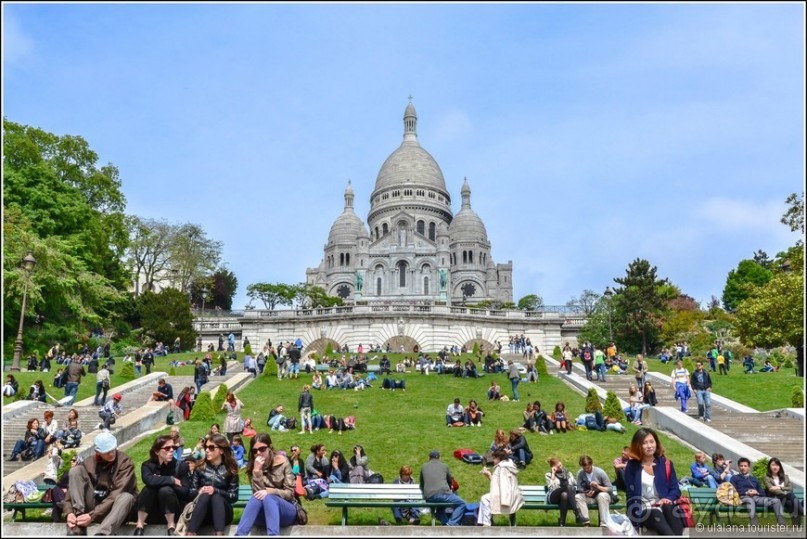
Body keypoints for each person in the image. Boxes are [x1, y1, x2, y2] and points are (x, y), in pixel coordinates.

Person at [64, 431, 138, 536]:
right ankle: (78, 522)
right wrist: (69, 512)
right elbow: (72, 491)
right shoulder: (88, 462)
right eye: (107, 452)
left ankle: (102, 534)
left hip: (116, 509)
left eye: (113, 449)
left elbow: (117, 493)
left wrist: (93, 515)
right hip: (94, 505)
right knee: (75, 471)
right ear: (97, 451)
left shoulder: (125, 462)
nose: (112, 454)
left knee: (126, 497)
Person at [624, 427, 684, 535]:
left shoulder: (666, 463)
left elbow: (675, 489)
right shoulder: (632, 466)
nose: (649, 446)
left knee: (670, 508)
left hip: (664, 507)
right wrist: (632, 519)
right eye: (645, 443)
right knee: (656, 513)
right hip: (644, 510)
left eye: (652, 441)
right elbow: (630, 494)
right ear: (638, 445)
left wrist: (667, 499)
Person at [235, 433, 297, 535]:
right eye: (255, 451)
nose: (258, 453)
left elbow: (290, 494)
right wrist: (257, 472)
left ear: (270, 447)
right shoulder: (254, 467)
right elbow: (258, 495)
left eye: (262, 449)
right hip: (263, 515)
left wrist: (270, 491)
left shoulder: (283, 462)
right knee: (256, 497)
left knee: (269, 497)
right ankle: (239, 535)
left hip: (286, 512)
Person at [133, 434, 193, 536]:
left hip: (174, 511)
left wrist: (164, 482)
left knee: (165, 490)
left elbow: (185, 491)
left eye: (173, 447)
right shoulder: (147, 465)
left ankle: (171, 526)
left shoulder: (181, 466)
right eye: (167, 448)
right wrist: (171, 480)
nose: (171, 450)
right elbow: (149, 481)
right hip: (152, 512)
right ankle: (139, 525)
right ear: (157, 451)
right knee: (148, 489)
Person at [186, 433, 240, 535]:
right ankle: (190, 534)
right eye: (206, 447)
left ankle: (219, 534)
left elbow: (234, 497)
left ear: (221, 450)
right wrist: (198, 491)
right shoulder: (200, 468)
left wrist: (216, 490)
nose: (206, 450)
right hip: (202, 513)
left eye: (211, 447)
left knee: (216, 496)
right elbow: (190, 493)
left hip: (223, 513)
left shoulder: (230, 470)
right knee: (206, 494)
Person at [730, 457, 786, 526]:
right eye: (741, 466)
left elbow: (762, 493)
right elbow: (733, 492)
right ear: (739, 467)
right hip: (743, 498)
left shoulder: (754, 479)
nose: (743, 468)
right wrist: (746, 493)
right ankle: (755, 525)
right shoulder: (734, 478)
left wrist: (756, 492)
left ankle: (782, 524)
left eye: (745, 466)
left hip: (757, 498)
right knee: (750, 500)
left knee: (776, 501)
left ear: (749, 467)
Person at [419, 449, 467, 526]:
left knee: (440, 509)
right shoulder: (444, 466)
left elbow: (421, 484)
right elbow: (450, 481)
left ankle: (445, 523)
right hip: (442, 494)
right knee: (462, 503)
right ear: (439, 458)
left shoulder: (424, 466)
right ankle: (452, 524)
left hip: (428, 497)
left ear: (429, 458)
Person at [477, 448, 524, 526]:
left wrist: (505, 501)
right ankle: (485, 523)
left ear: (499, 458)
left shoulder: (502, 468)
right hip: (513, 495)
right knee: (485, 498)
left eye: (495, 458)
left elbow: (505, 485)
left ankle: (486, 524)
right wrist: (488, 475)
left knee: (484, 499)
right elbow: (500, 483)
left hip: (507, 496)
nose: (493, 460)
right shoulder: (509, 465)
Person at [575, 455, 614, 526]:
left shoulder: (600, 472)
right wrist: (586, 493)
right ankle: (586, 523)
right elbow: (579, 488)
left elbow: (610, 489)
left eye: (588, 468)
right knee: (578, 497)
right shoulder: (580, 473)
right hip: (589, 497)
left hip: (602, 497)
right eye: (584, 468)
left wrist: (598, 486)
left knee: (602, 495)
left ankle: (604, 524)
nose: (586, 470)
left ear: (591, 464)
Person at [763, 457, 803, 526]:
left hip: (786, 500)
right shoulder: (766, 477)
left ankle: (796, 526)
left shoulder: (785, 477)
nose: (775, 467)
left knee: (790, 502)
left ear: (780, 467)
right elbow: (771, 490)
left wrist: (779, 487)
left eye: (777, 465)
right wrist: (785, 492)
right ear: (769, 466)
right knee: (790, 495)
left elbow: (790, 488)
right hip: (775, 500)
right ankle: (802, 511)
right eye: (773, 465)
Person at [545, 457, 581, 527]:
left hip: (567, 497)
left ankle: (562, 521)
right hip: (554, 496)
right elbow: (552, 488)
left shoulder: (568, 473)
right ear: (553, 467)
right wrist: (553, 474)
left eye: (560, 465)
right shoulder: (548, 475)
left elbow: (575, 484)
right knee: (567, 487)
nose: (560, 467)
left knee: (564, 495)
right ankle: (576, 511)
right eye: (558, 467)